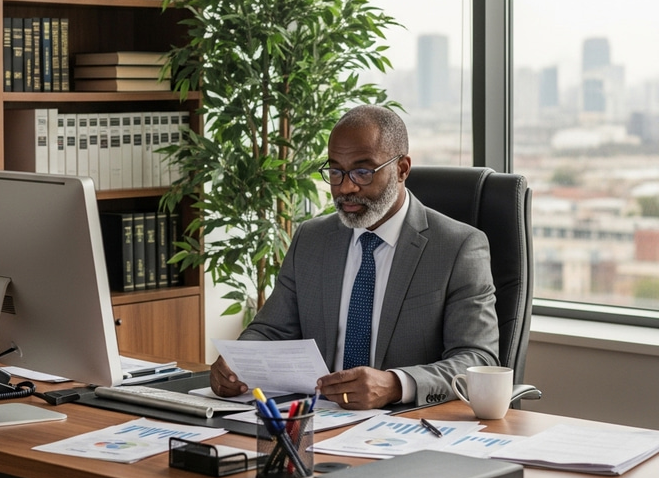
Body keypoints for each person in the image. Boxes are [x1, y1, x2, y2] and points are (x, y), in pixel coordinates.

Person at [209, 104, 499, 410]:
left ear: (402, 169)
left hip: (408, 424)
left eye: (363, 171)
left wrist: (395, 384)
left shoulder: (458, 247)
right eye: (335, 171)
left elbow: (478, 358)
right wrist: (236, 361)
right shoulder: (312, 239)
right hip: (316, 417)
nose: (346, 187)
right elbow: (271, 330)